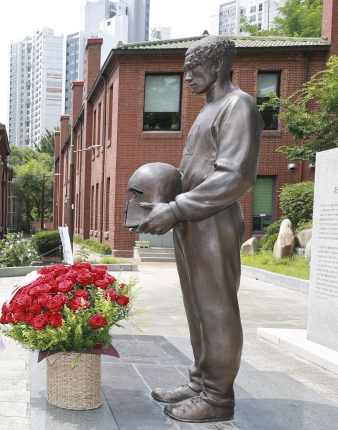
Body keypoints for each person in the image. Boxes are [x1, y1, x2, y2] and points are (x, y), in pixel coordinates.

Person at [137, 36, 262, 423]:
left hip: (213, 220)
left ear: (219, 64)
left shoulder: (238, 105)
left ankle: (218, 397)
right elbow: (194, 170)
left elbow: (236, 176)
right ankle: (200, 383)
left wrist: (176, 208)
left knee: (216, 308)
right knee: (196, 308)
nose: (187, 76)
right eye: (185, 69)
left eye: (194, 68)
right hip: (191, 222)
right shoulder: (209, 109)